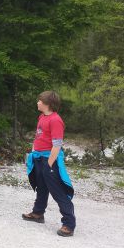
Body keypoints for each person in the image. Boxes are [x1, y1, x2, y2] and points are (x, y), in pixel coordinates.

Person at [23, 91, 76, 237]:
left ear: (48, 104)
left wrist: (50, 163)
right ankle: (38, 213)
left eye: (40, 101)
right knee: (41, 187)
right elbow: (39, 137)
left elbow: (57, 144)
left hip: (50, 160)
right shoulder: (42, 116)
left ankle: (69, 224)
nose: (37, 102)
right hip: (39, 158)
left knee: (58, 191)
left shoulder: (55, 120)